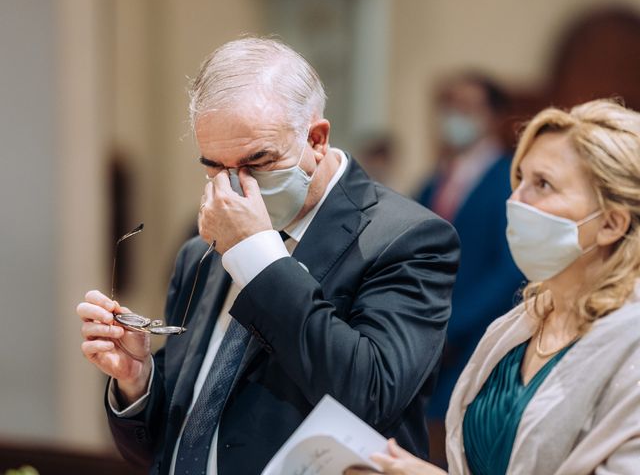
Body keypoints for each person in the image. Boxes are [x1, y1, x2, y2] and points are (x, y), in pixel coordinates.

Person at [76, 37, 460, 474]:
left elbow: (370, 394)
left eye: (257, 162)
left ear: (316, 139)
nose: (238, 188)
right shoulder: (197, 253)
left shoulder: (407, 238)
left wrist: (258, 257)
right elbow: (170, 444)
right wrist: (137, 380)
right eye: (216, 168)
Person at [348, 99, 640, 474]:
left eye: (542, 184)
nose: (515, 201)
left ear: (611, 224)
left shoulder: (630, 343)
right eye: (519, 181)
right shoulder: (521, 325)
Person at [416, 74, 523, 436]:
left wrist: (452, 328)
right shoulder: (435, 180)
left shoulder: (509, 178)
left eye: (467, 107)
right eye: (449, 106)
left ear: (492, 117)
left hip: (473, 336)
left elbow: (509, 270)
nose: (454, 116)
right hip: (427, 339)